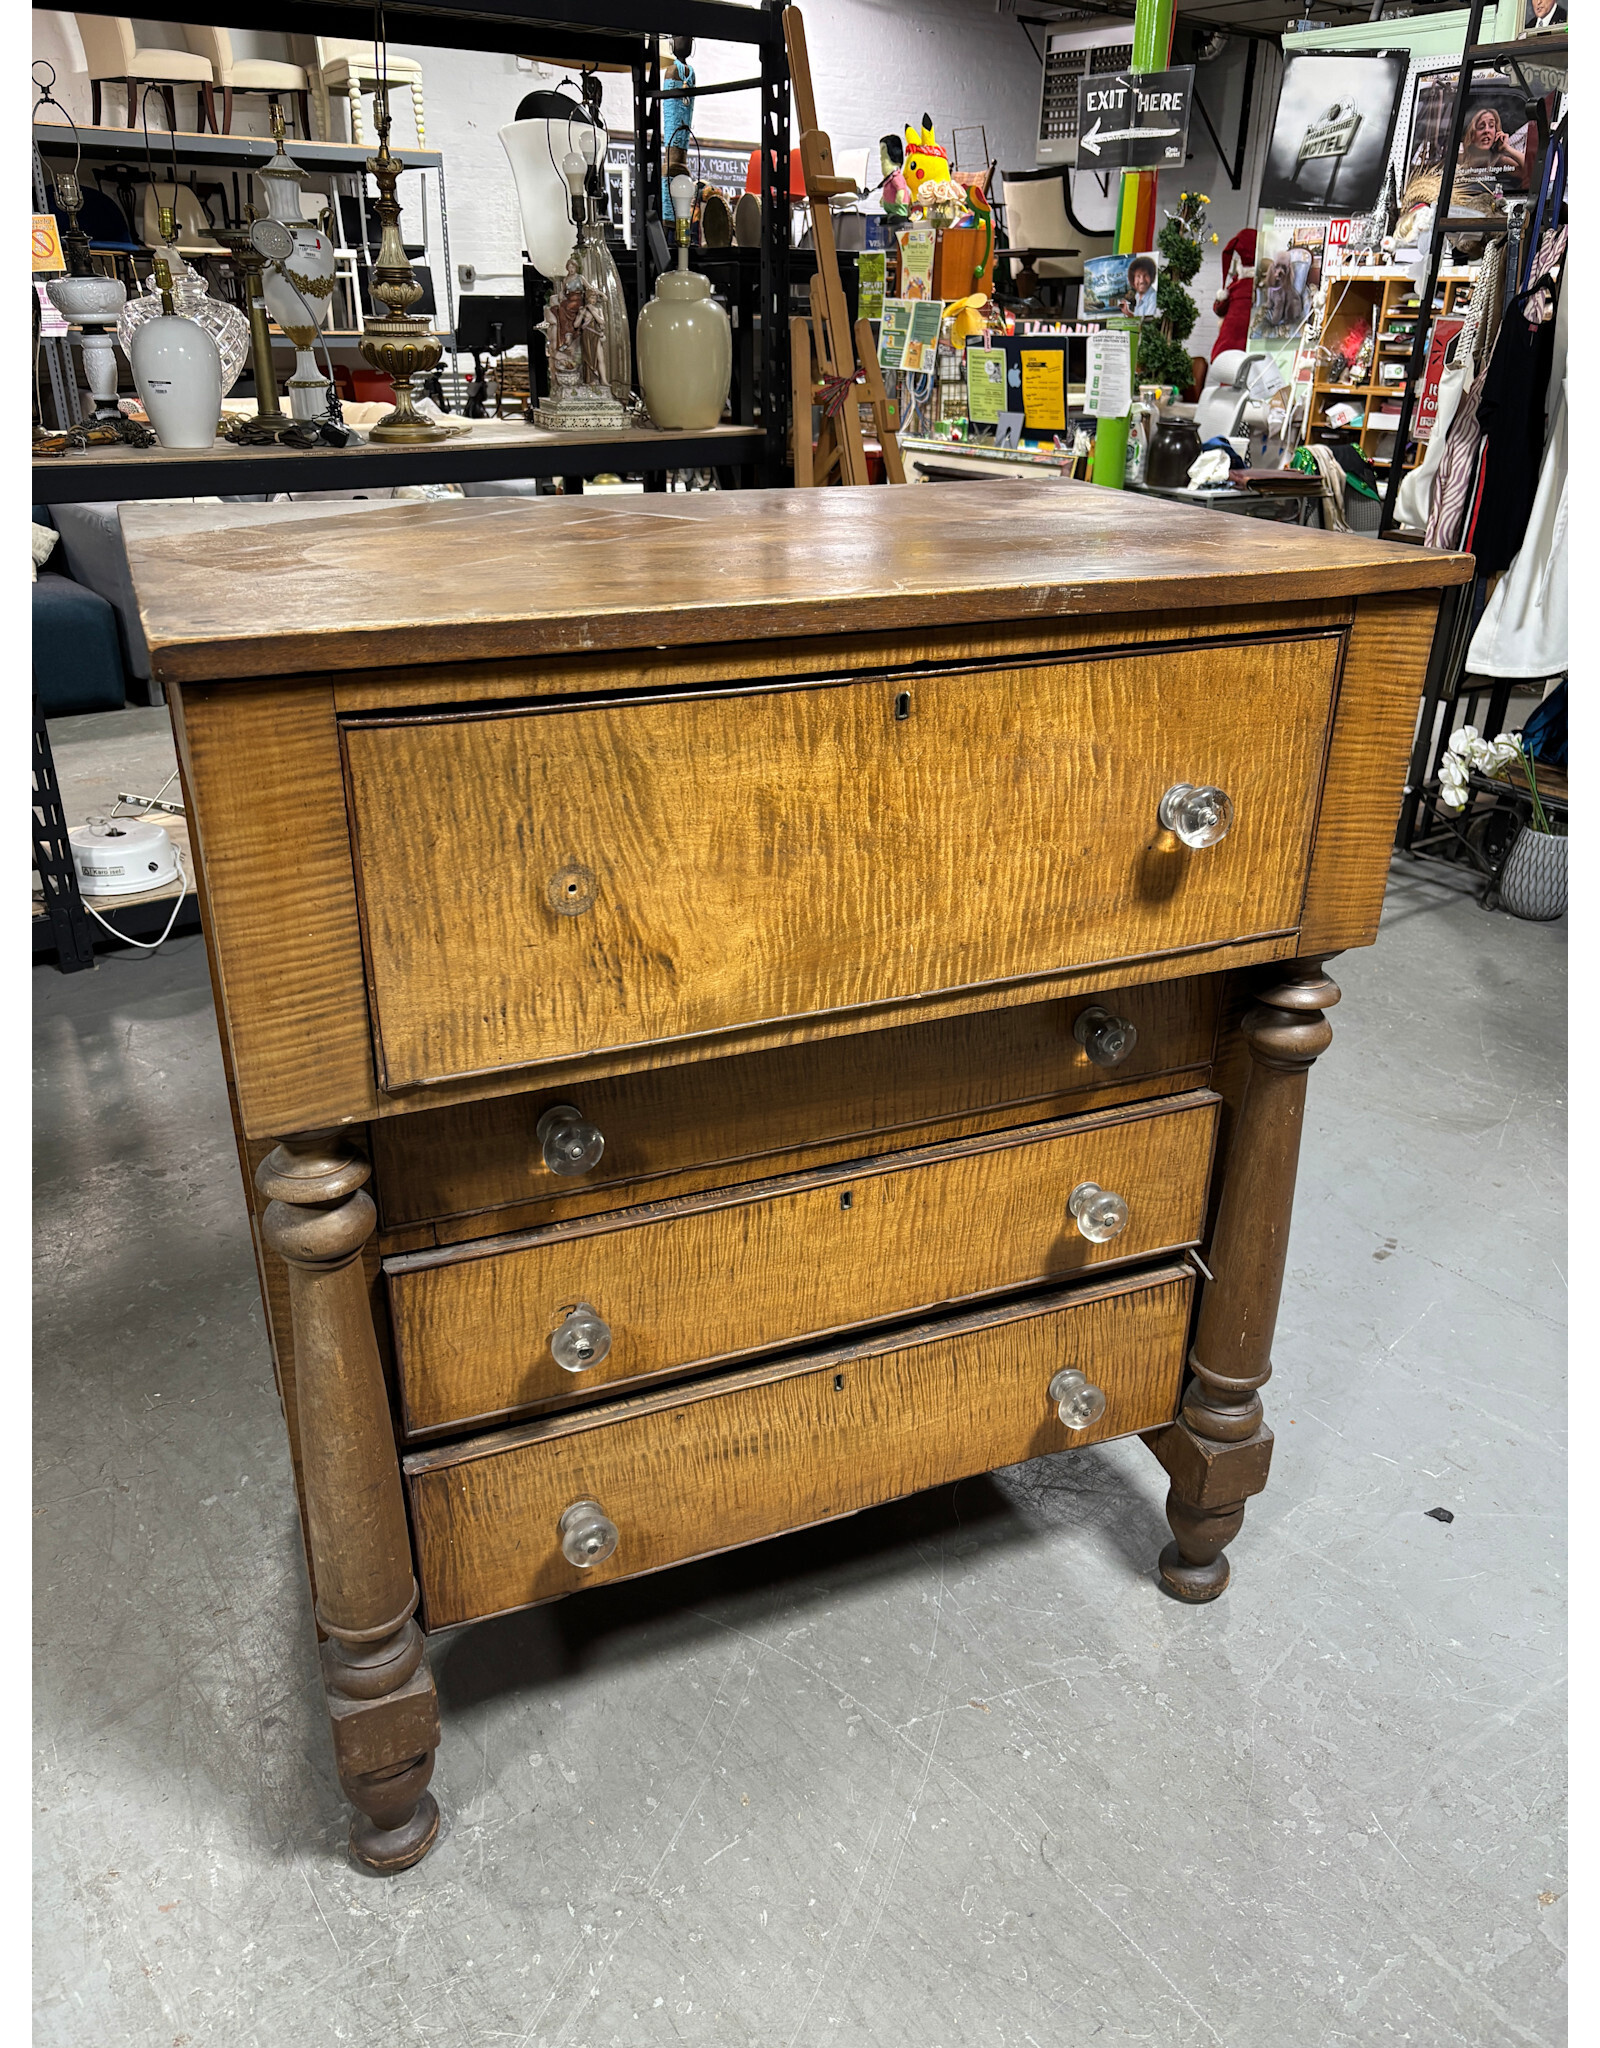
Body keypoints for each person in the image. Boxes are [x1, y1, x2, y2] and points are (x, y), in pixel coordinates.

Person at [1211, 229, 1256, 359]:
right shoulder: (1264, 287)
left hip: (1229, 351)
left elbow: (1219, 308)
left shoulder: (1237, 286)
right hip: (1251, 352)